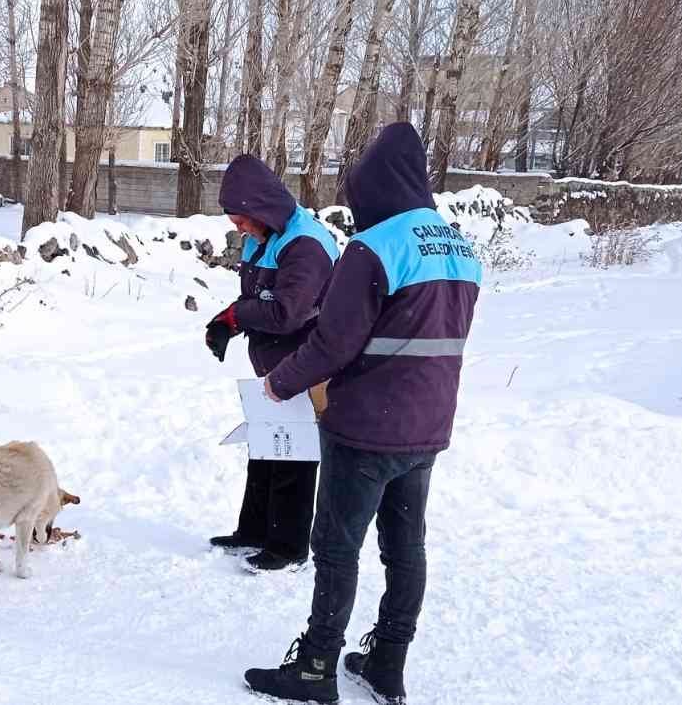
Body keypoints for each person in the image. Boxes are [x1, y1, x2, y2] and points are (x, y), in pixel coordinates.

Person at [241, 122, 482, 704]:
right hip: (427, 427)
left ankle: (317, 667)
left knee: (337, 546)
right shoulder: (460, 247)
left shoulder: (374, 247)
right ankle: (387, 664)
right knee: (406, 547)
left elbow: (333, 342)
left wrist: (280, 382)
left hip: (366, 428)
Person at [205, 154, 339, 573]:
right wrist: (228, 319)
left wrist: (238, 316)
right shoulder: (262, 238)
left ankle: (288, 546)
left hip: (307, 363)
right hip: (274, 361)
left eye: (242, 219)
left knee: (293, 453)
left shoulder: (306, 245)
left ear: (262, 208)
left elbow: (287, 312)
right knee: (266, 446)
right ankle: (255, 530)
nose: (237, 228)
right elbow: (257, 298)